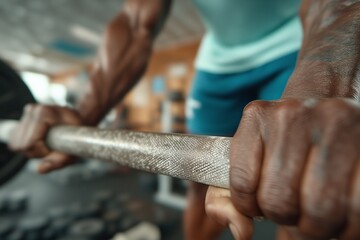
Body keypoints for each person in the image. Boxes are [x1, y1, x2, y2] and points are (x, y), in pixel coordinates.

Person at [8, 0, 360, 239]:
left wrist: (313, 95)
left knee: (294, 182)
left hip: (297, 46)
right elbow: (135, 23)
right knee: (199, 183)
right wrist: (82, 117)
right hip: (217, 63)